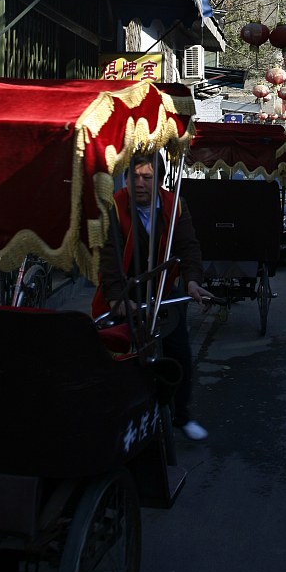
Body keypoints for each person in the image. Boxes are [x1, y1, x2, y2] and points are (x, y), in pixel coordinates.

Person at [92, 154, 211, 441]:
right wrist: (117, 298)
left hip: (163, 288)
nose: (140, 184)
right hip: (125, 290)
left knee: (179, 352)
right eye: (134, 177)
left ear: (159, 181)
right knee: (113, 353)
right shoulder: (113, 206)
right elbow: (108, 256)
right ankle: (114, 417)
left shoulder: (175, 204)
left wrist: (192, 281)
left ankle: (182, 415)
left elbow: (188, 246)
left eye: (147, 178)